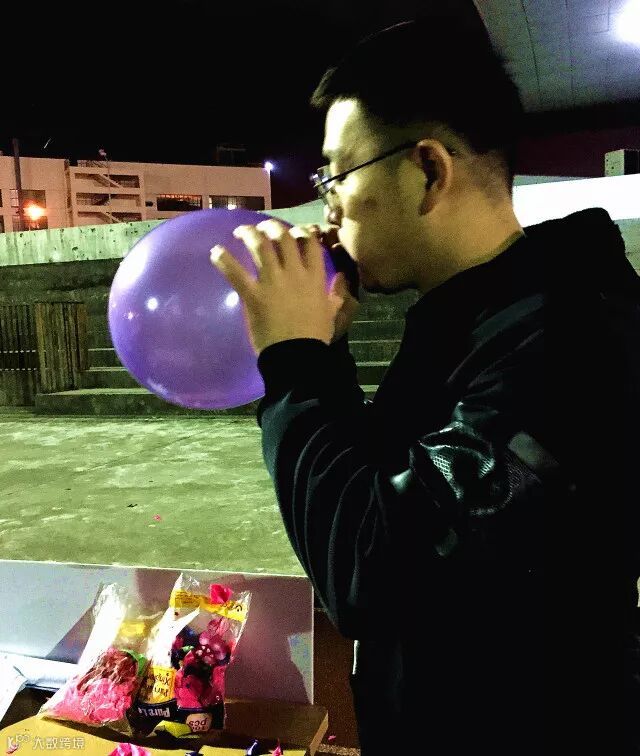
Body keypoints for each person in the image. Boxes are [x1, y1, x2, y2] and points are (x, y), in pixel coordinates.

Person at [211, 13, 640, 755]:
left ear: (429, 170)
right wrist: (325, 358)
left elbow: (373, 573)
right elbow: (389, 493)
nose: (327, 207)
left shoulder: (570, 340)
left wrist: (295, 365)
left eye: (336, 175)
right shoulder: (469, 319)